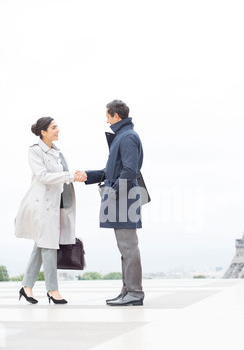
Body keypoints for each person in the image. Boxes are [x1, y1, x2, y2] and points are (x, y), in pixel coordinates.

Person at [78, 100, 146, 306]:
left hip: (124, 199)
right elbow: (114, 170)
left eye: (107, 115)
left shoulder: (127, 137)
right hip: (123, 197)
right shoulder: (124, 136)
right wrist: (88, 175)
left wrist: (113, 192)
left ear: (116, 116)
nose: (106, 119)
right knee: (125, 247)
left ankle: (134, 292)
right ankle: (128, 291)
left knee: (129, 246)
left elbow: (130, 171)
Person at [15, 117, 83, 305]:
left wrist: (75, 176)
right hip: (41, 206)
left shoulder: (58, 153)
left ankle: (26, 286)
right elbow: (44, 176)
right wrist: (71, 175)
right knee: (50, 246)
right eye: (54, 127)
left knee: (42, 244)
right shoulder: (35, 151)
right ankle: (52, 290)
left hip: (55, 205)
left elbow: (63, 178)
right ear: (43, 131)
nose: (58, 130)